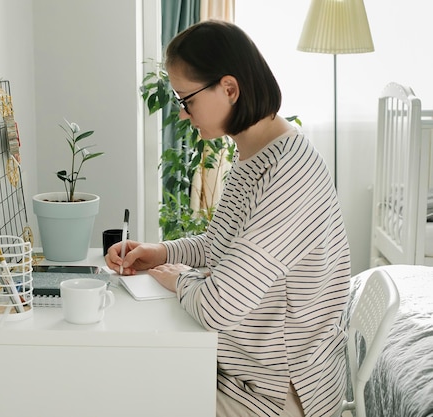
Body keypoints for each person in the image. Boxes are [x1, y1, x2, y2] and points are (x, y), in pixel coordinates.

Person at [105, 20, 351, 417]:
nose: (183, 115)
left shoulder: (288, 174)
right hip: (246, 373)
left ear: (230, 89)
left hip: (278, 393)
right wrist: (159, 251)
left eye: (187, 100)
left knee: (128, 396)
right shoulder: (254, 155)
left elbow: (218, 305)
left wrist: (179, 278)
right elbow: (220, 244)